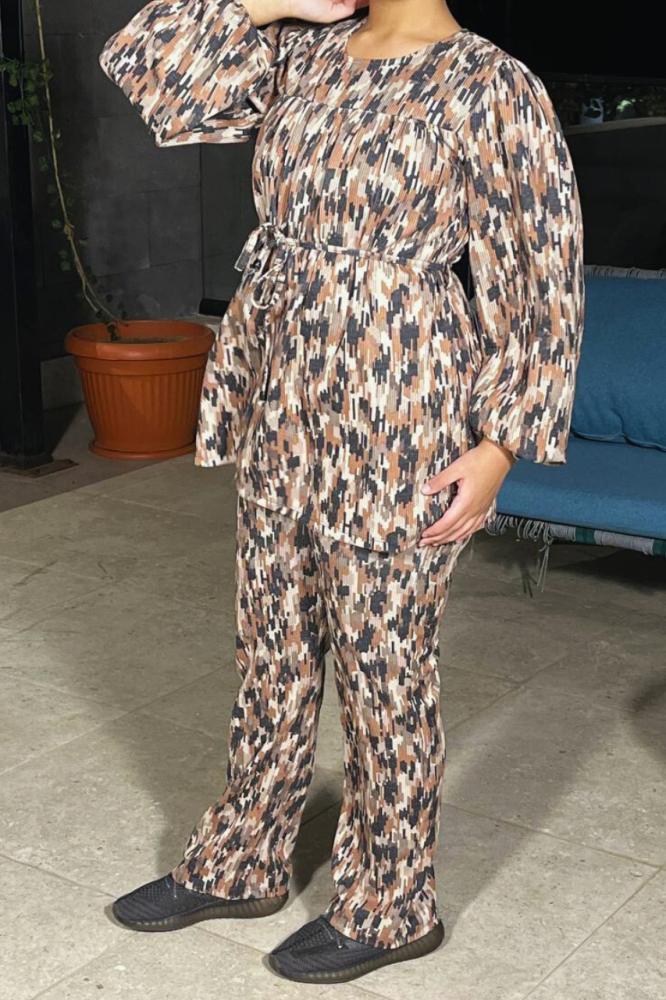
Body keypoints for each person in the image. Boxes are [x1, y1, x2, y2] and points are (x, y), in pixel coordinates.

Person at [98, 0, 585, 984]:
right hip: (282, 390)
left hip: (403, 400)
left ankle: (391, 902)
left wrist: (499, 447)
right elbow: (152, 72)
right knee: (271, 644)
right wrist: (265, 1)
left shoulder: (491, 84)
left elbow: (543, 276)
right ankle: (243, 858)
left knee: (382, 663)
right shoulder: (302, 54)